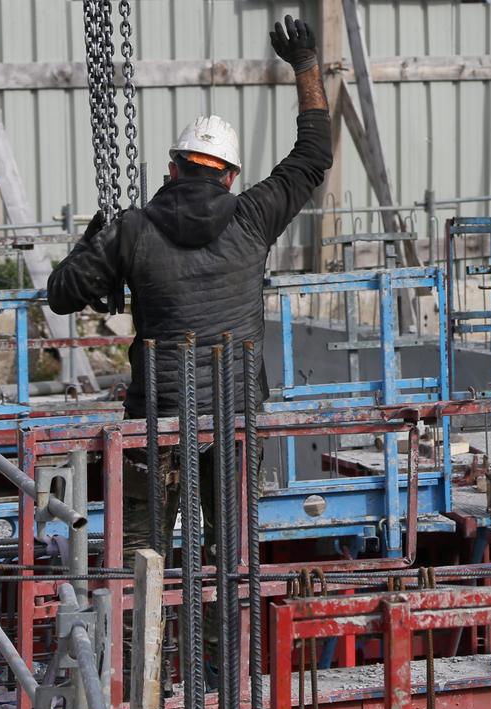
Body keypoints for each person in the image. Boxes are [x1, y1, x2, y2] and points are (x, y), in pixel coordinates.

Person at [48, 15, 330, 581]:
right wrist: (305, 65)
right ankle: (233, 632)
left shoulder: (132, 229)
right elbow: (313, 153)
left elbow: (62, 295)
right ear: (229, 177)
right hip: (234, 420)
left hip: (155, 421)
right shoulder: (253, 216)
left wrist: (93, 240)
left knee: (137, 567)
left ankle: (131, 635)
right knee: (234, 565)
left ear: (173, 167)